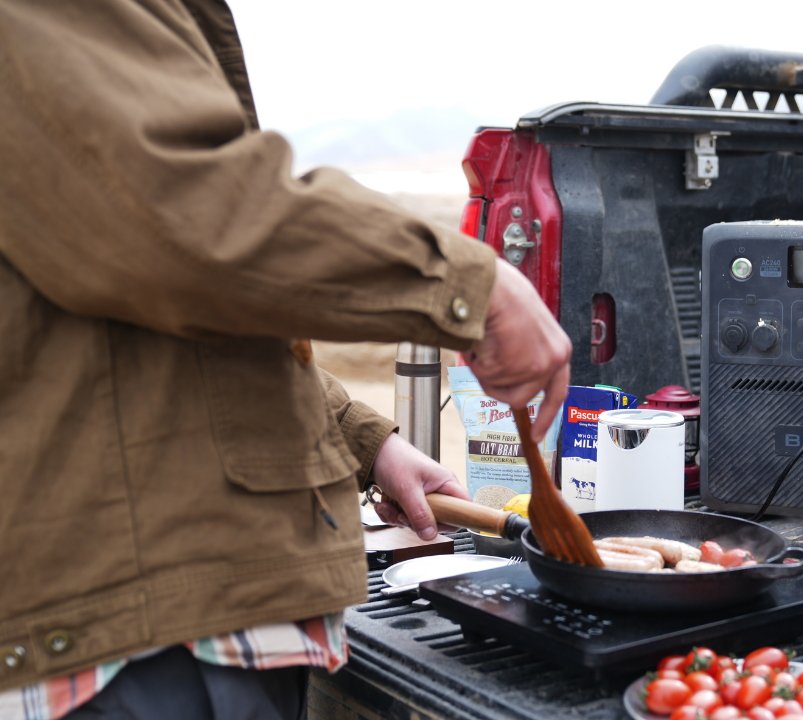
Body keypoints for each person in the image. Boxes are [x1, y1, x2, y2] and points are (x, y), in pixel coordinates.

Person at [0, 1, 570, 717]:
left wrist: (363, 440)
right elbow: (182, 220)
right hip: (140, 628)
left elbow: (161, 325)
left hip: (159, 609)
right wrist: (469, 286)